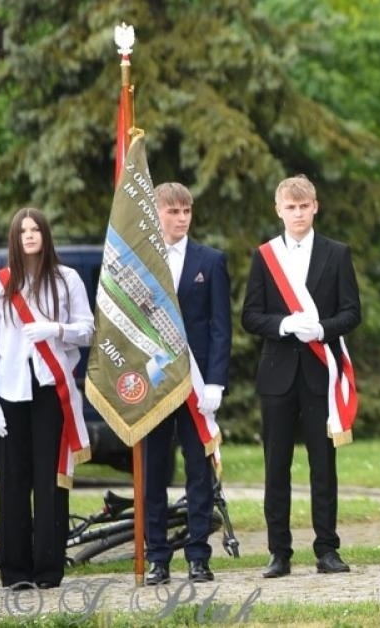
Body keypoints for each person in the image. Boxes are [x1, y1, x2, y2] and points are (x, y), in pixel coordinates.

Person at [241, 175, 362, 577]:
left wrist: (323, 329)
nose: (297, 213)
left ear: (315, 207)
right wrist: (284, 324)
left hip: (318, 374)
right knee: (276, 466)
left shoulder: (337, 253)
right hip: (277, 375)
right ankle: (279, 551)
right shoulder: (265, 256)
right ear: (279, 210)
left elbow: (352, 312)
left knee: (322, 467)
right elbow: (250, 316)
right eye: (290, 207)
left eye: (303, 206)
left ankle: (327, 549)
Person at [0, 208, 94, 589]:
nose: (30, 236)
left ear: (45, 235)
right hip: (10, 393)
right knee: (13, 481)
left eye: (36, 230)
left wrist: (57, 329)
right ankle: (15, 570)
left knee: (50, 480)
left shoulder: (67, 280)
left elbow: (87, 330)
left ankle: (49, 569)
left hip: (51, 391)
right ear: (14, 239)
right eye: (23, 231)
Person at [143, 183, 232, 585]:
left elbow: (219, 328)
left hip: (197, 386)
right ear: (156, 213)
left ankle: (198, 554)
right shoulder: (139, 263)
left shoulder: (209, 261)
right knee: (154, 473)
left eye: (186, 212)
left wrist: (215, 382)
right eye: (172, 212)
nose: (181, 219)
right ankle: (157, 557)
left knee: (199, 473)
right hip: (156, 384)